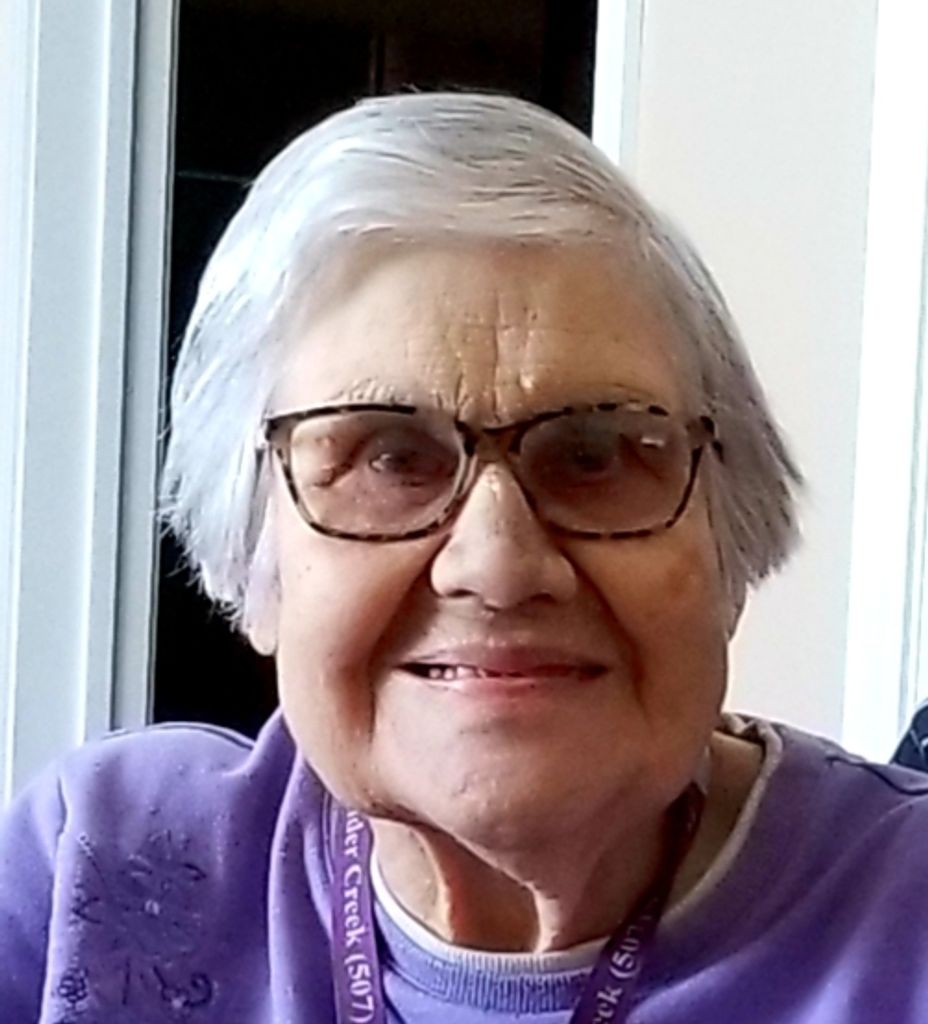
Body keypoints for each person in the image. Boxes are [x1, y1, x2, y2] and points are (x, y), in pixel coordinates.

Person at [3, 92, 928, 1024]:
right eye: (388, 459)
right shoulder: (100, 867)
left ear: (729, 540)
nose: (498, 566)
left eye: (596, 456)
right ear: (254, 558)